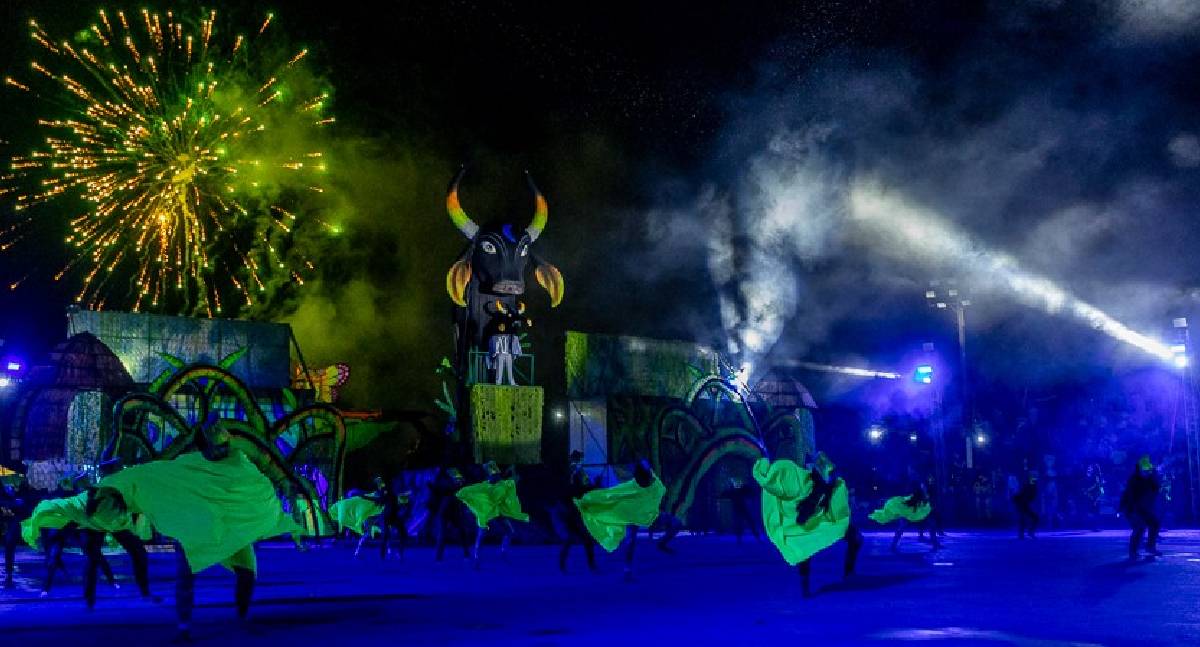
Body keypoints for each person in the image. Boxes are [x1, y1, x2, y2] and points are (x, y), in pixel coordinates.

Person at [91, 424, 300, 642]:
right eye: (217, 447)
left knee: (247, 572)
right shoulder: (189, 465)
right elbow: (155, 477)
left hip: (227, 529)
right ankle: (184, 627)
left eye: (223, 446)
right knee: (186, 578)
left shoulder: (235, 458)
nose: (222, 450)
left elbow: (260, 467)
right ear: (206, 447)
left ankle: (241, 618)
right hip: (194, 530)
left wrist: (282, 485)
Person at [755, 452, 861, 597]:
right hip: (812, 519)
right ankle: (807, 583)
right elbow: (782, 489)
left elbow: (832, 484)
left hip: (825, 519)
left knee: (855, 539)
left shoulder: (824, 482)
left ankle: (848, 573)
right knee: (803, 546)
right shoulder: (806, 483)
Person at [573, 458, 667, 581]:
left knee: (629, 539)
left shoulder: (645, 481)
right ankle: (626, 569)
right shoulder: (635, 483)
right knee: (629, 539)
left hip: (637, 511)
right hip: (631, 512)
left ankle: (626, 568)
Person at [456, 462, 528, 568]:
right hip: (486, 515)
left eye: (497, 474)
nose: (497, 476)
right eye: (494, 475)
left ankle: (502, 553)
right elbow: (463, 493)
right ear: (489, 475)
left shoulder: (501, 484)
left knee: (509, 531)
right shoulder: (483, 487)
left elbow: (515, 480)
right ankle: (476, 558)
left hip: (497, 512)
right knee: (481, 536)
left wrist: (512, 470)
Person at [870, 469, 939, 552]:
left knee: (931, 523)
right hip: (911, 506)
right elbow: (913, 494)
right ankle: (894, 545)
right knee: (903, 525)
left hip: (918, 506)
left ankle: (933, 542)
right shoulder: (914, 483)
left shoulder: (922, 483)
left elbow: (924, 495)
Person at [557, 451, 598, 573]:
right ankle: (591, 565)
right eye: (580, 458)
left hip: (569, 509)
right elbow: (579, 490)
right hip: (575, 510)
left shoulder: (569, 471)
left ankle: (562, 563)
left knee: (570, 538)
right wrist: (594, 485)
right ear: (578, 459)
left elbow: (570, 490)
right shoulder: (577, 472)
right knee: (587, 538)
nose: (582, 460)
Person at [1119, 455, 1162, 561]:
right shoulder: (1134, 480)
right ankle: (1133, 551)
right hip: (1133, 508)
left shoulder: (1148, 479)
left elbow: (1156, 489)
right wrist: (1124, 509)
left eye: (1148, 469)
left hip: (1143, 509)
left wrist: (1154, 475)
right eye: (1145, 469)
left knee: (1154, 523)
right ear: (1140, 468)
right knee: (1139, 527)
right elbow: (1128, 495)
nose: (1147, 471)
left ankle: (1150, 547)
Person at [428, 467, 471, 561]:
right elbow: (435, 488)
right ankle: (439, 556)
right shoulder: (441, 477)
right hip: (446, 509)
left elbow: (461, 483)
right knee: (443, 534)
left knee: (460, 531)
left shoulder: (451, 473)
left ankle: (465, 552)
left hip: (452, 508)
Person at [1, 474, 32, 589]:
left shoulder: (22, 483)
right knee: (9, 544)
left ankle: (9, 574)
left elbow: (26, 502)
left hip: (15, 518)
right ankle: (8, 574)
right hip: (7, 516)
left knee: (10, 543)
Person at [719, 476, 761, 544]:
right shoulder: (734, 491)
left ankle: (752, 537)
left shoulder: (738, 490)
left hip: (741, 509)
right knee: (742, 524)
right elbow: (724, 494)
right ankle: (741, 538)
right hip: (739, 509)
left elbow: (750, 491)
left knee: (748, 522)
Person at [1012, 471, 1039, 539]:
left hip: (1024, 503)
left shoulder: (1032, 484)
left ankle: (1027, 532)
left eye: (1035, 476)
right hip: (1022, 503)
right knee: (1024, 518)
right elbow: (1022, 494)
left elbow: (1031, 495)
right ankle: (1024, 533)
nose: (1035, 477)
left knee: (1032, 518)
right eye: (1034, 476)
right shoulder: (1028, 484)